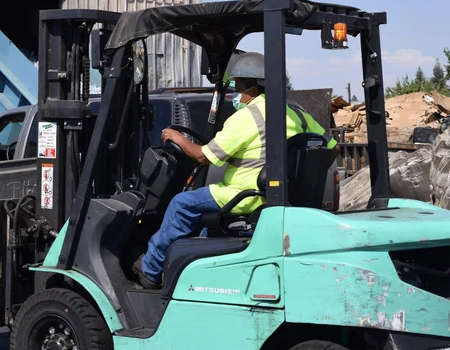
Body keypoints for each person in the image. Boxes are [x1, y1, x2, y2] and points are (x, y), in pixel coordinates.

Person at [132, 52, 340, 289]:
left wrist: (177, 138)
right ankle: (188, 265)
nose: (235, 94)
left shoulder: (248, 117)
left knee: (182, 204)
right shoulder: (297, 113)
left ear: (252, 90)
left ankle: (150, 268)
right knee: (199, 214)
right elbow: (332, 149)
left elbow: (201, 155)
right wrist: (299, 178)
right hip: (280, 198)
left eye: (237, 87)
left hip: (244, 196)